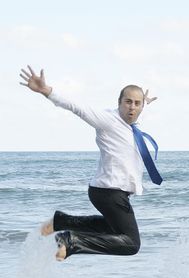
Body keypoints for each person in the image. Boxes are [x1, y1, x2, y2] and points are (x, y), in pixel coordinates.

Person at [19, 65, 161, 261]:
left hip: (106, 191)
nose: (132, 107)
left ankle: (61, 221)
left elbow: (138, 112)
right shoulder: (108, 120)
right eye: (128, 102)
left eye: (137, 103)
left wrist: (146, 102)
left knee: (111, 228)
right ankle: (71, 242)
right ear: (119, 103)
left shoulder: (133, 122)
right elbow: (78, 107)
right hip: (110, 192)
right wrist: (47, 91)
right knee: (131, 244)